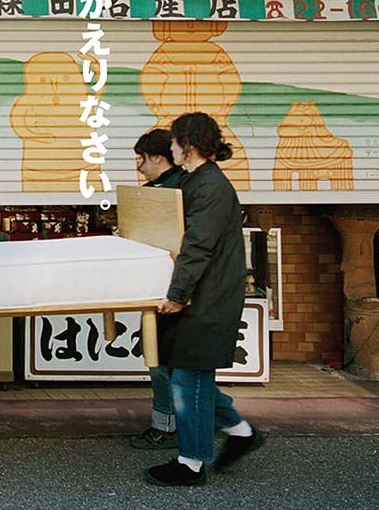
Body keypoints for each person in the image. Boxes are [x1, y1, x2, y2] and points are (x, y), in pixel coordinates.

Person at [145, 113, 264, 486]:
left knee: (188, 377)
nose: (172, 149)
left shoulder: (210, 187)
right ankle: (241, 431)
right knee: (187, 374)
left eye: (176, 144)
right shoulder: (195, 180)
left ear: (189, 147)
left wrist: (177, 295)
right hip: (201, 292)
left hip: (208, 296)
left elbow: (197, 247)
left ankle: (191, 463)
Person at [128, 129, 184, 451]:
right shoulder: (170, 188)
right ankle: (224, 420)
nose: (140, 167)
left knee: (163, 364)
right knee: (169, 364)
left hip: (171, 291)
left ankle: (166, 427)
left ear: (159, 158)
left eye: (142, 159)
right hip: (167, 287)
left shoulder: (172, 191)